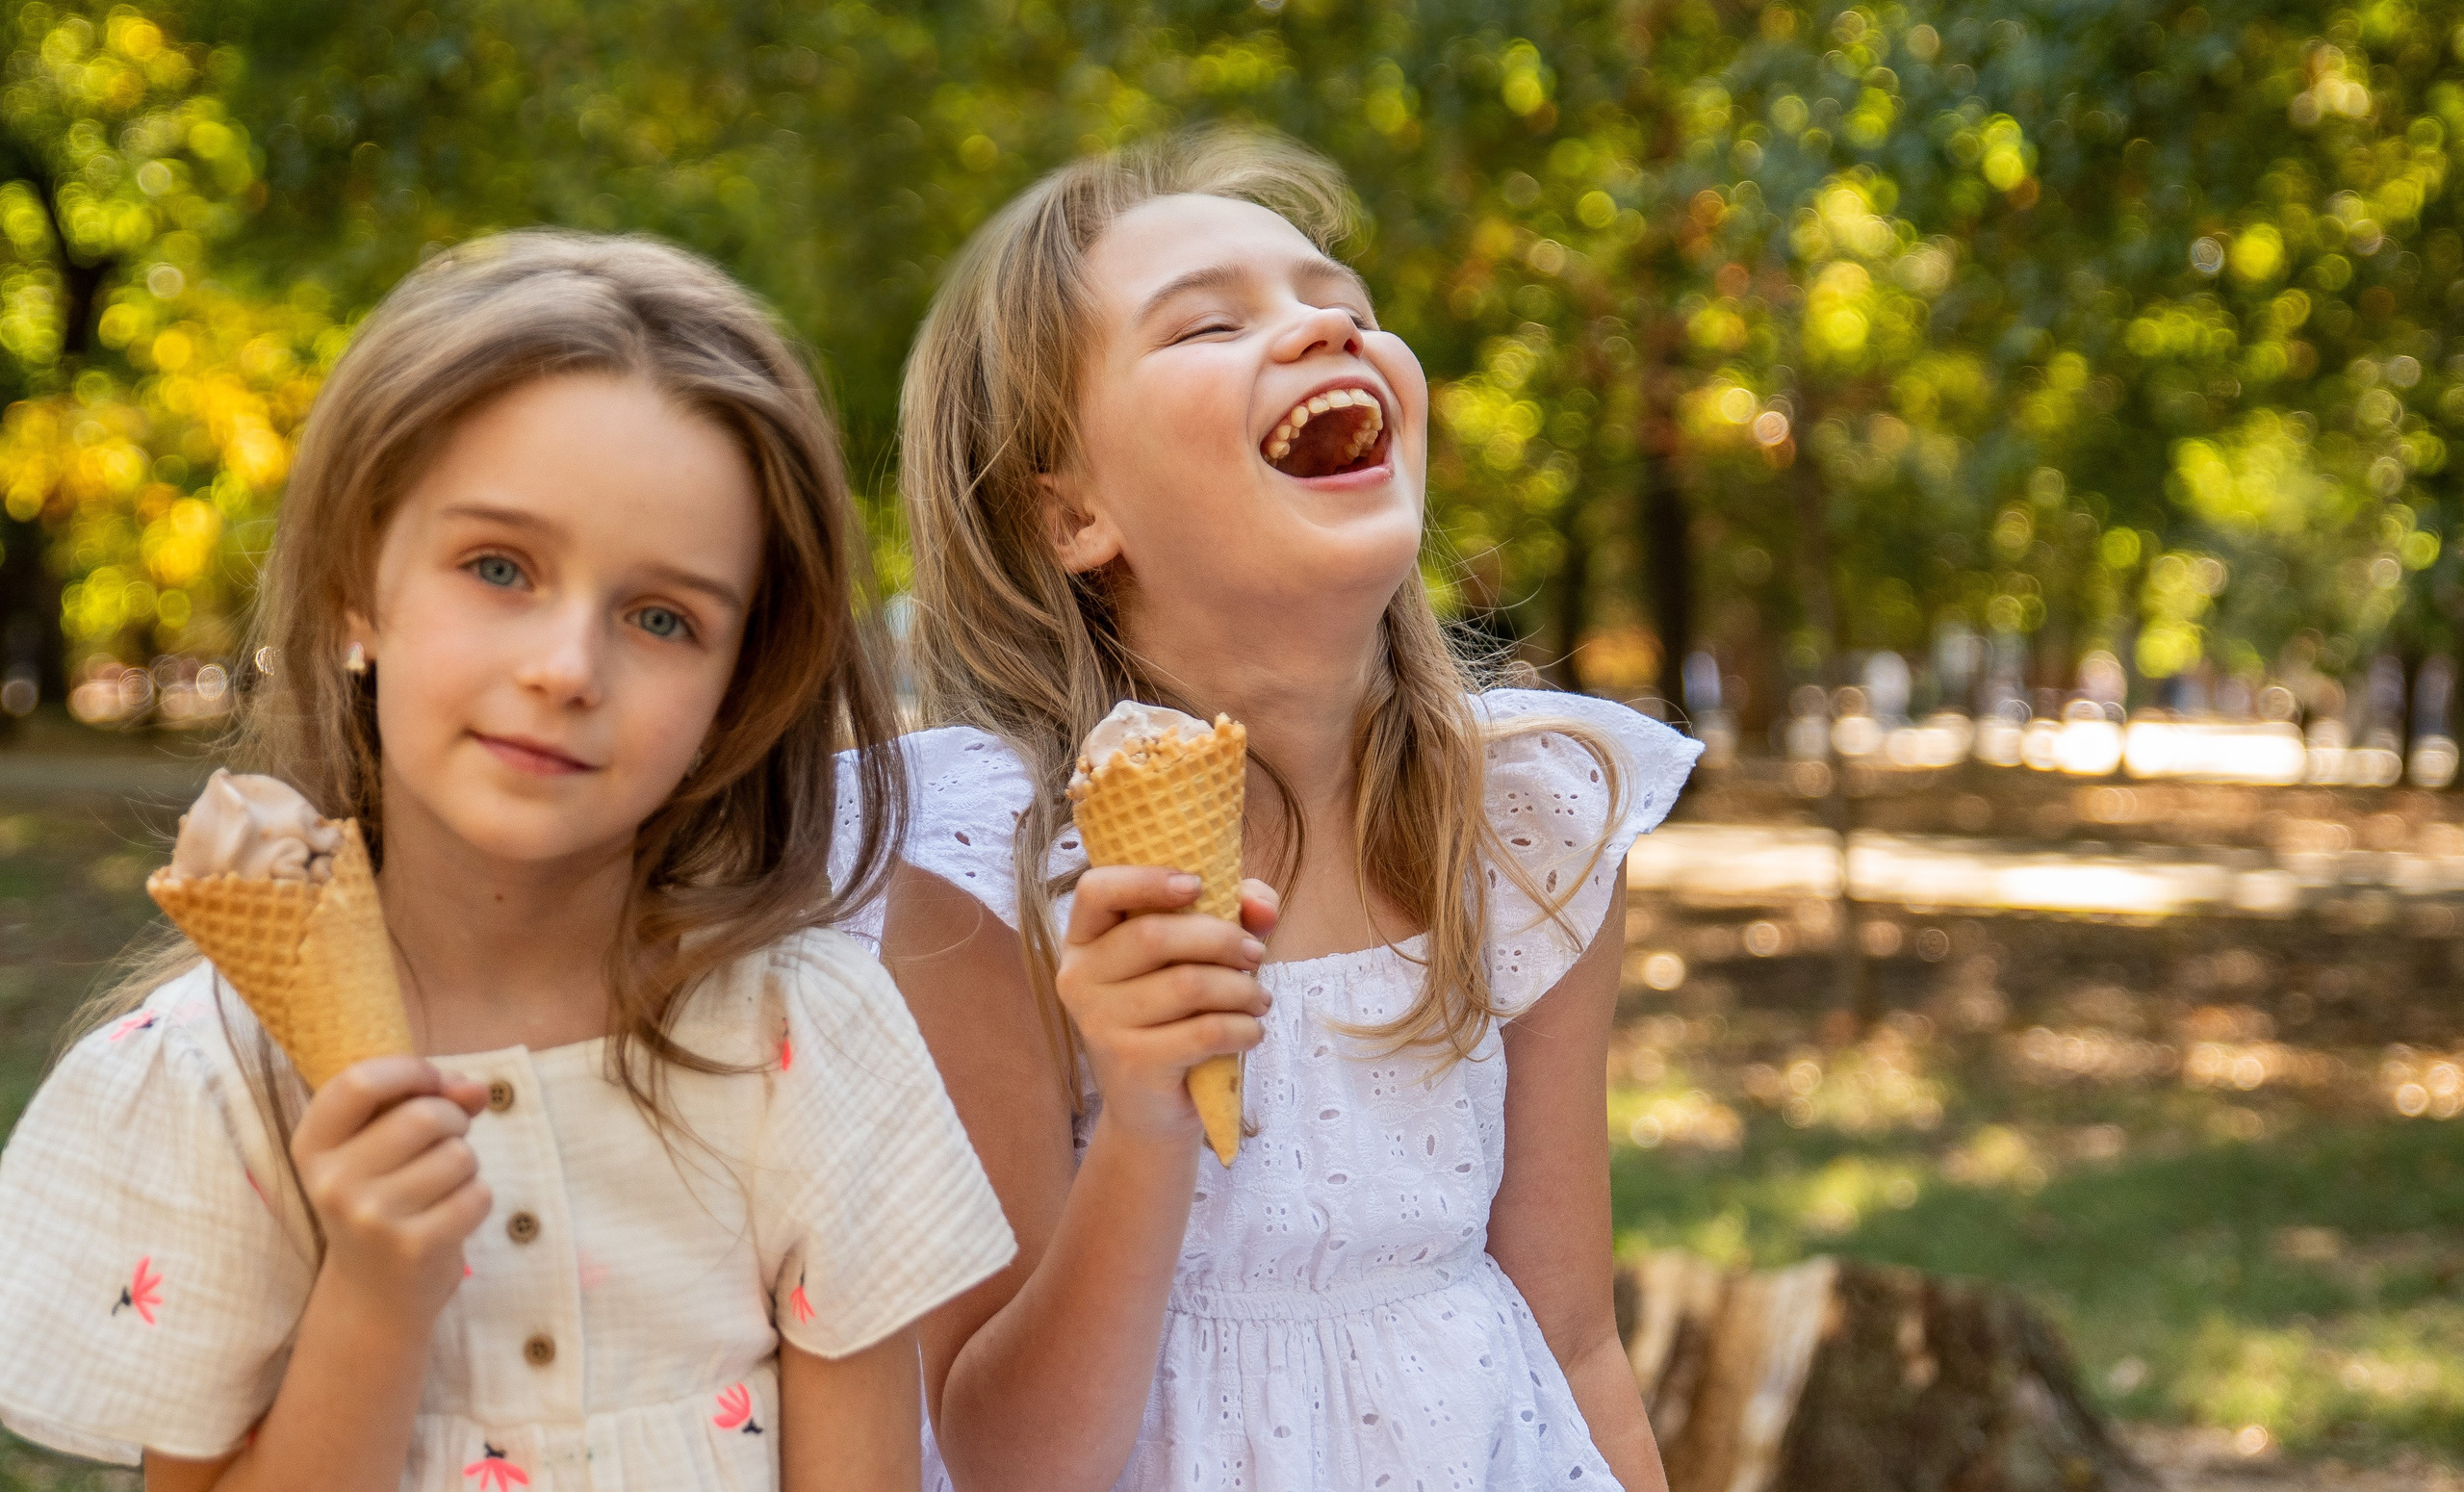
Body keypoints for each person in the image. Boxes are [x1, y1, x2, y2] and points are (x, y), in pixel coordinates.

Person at [0, 231, 1014, 1490]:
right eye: (499, 567)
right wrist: (376, 1291)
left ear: (737, 684)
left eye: (662, 617)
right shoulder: (222, 1081)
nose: (568, 669)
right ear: (357, 591)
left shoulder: (804, 1039)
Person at [859, 129, 1702, 1490]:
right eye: (1207, 322)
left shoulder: (1526, 828)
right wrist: (1142, 1111)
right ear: (1071, 512)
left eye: (1345, 304)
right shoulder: (994, 873)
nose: (1322, 326)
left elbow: (1574, 1334)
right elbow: (1008, 1459)